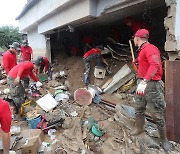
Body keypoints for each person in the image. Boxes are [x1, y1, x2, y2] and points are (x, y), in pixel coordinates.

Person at [132, 29, 171, 152]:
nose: (134, 40)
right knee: (139, 107)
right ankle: (139, 129)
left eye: (134, 38)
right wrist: (137, 61)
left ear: (137, 38)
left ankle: (164, 140)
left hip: (151, 85)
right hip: (141, 83)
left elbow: (155, 65)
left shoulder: (151, 48)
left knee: (157, 114)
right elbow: (146, 61)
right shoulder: (143, 50)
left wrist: (145, 80)